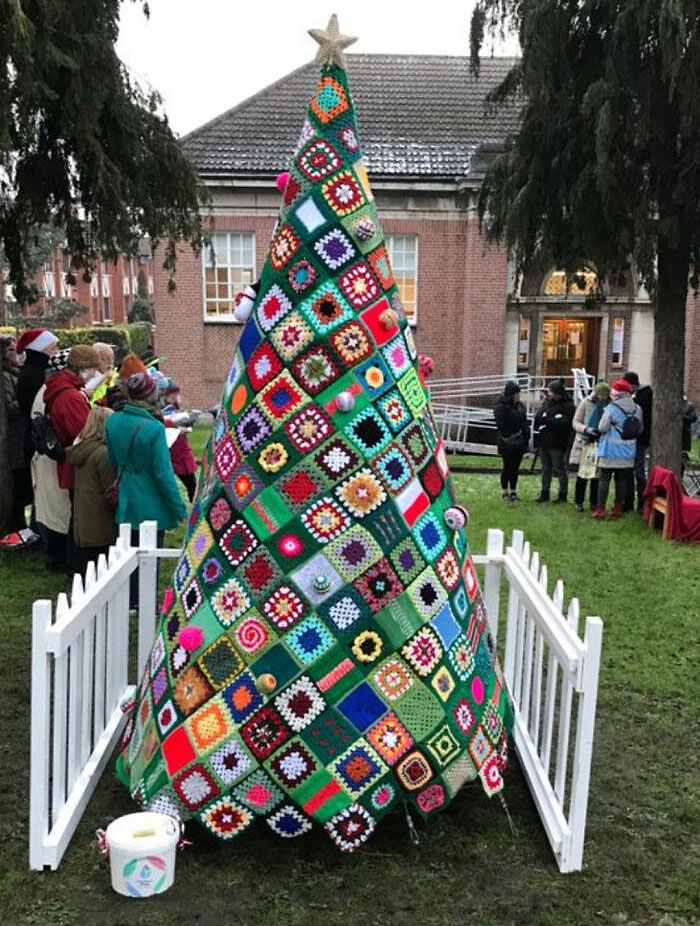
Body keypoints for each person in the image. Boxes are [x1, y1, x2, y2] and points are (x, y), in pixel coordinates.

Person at [105, 372, 187, 551]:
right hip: (151, 503)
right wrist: (178, 509)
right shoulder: (154, 428)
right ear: (152, 395)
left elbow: (112, 459)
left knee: (127, 559)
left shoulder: (113, 420)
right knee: (149, 563)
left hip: (126, 498)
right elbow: (163, 474)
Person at [30, 350, 72, 570]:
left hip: (49, 458)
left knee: (53, 511)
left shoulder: (48, 389)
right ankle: (58, 559)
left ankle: (55, 556)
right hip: (55, 458)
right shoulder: (56, 392)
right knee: (59, 513)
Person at [66, 406, 118, 576]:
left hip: (84, 520)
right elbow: (110, 487)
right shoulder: (103, 454)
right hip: (101, 520)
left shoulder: (81, 449)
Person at [44, 345, 100, 491]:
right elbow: (85, 433)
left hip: (70, 461)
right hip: (77, 467)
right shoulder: (71, 397)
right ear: (82, 368)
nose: (95, 374)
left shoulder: (61, 388)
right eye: (93, 369)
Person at [592, 379, 643, 519]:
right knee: (621, 481)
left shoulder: (612, 408)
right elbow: (640, 429)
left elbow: (602, 428)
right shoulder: (637, 409)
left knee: (604, 480)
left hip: (609, 450)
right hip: (628, 452)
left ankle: (600, 509)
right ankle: (618, 508)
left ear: (616, 393)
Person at [569, 381, 611, 512]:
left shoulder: (610, 405)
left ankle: (594, 502)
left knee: (597, 475)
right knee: (584, 473)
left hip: (602, 442)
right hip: (586, 441)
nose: (603, 398)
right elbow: (576, 422)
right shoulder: (586, 403)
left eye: (605, 395)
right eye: (601, 395)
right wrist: (586, 429)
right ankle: (579, 501)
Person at [533, 379, 575, 503]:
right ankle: (544, 492)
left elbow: (563, 422)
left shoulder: (567, 406)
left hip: (558, 442)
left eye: (551, 392)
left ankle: (563, 494)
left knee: (559, 468)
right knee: (545, 469)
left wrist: (548, 420)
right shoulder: (546, 403)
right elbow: (539, 417)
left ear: (557, 393)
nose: (548, 394)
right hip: (544, 441)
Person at [160, 379, 198, 502]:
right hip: (176, 453)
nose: (178, 397)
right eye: (175, 394)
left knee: (192, 485)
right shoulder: (162, 410)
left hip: (179, 451)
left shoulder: (173, 409)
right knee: (190, 485)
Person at [494, 380, 530, 500]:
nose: (518, 396)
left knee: (515, 467)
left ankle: (513, 490)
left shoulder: (520, 407)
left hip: (519, 440)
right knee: (507, 466)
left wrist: (526, 437)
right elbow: (501, 425)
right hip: (507, 441)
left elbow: (524, 422)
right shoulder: (501, 407)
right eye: (516, 394)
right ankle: (505, 490)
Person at [622, 371, 651, 510]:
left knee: (637, 471)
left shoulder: (642, 399)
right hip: (639, 438)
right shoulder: (642, 396)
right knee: (634, 470)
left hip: (639, 439)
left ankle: (638, 501)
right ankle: (635, 501)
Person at [16, 327, 59, 421]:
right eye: (52, 348)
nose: (56, 351)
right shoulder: (33, 374)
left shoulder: (36, 370)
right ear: (40, 349)